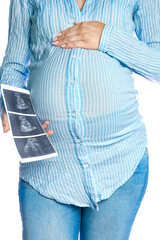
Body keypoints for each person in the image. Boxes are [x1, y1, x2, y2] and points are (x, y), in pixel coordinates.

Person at [0, 0, 159, 239]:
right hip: (47, 168)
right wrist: (17, 114)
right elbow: (14, 65)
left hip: (119, 162)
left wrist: (107, 37)